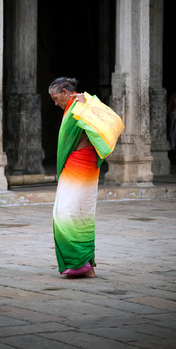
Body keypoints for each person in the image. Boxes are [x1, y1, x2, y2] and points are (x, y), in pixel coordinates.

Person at [48, 76, 100, 279]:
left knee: (68, 214)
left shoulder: (82, 104)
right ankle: (84, 266)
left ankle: (83, 265)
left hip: (82, 166)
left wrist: (84, 106)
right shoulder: (74, 107)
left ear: (65, 93)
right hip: (77, 165)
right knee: (78, 215)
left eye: (55, 98)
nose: (55, 103)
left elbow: (100, 128)